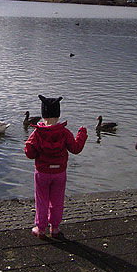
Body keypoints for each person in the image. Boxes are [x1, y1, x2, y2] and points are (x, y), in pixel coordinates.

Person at [24, 95, 87, 239]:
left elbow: (30, 153)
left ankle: (40, 229)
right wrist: (82, 135)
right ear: (58, 114)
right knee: (57, 200)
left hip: (42, 173)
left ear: (43, 114)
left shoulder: (37, 133)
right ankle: (55, 227)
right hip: (59, 172)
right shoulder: (64, 133)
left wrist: (28, 145)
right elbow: (76, 148)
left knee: (42, 200)